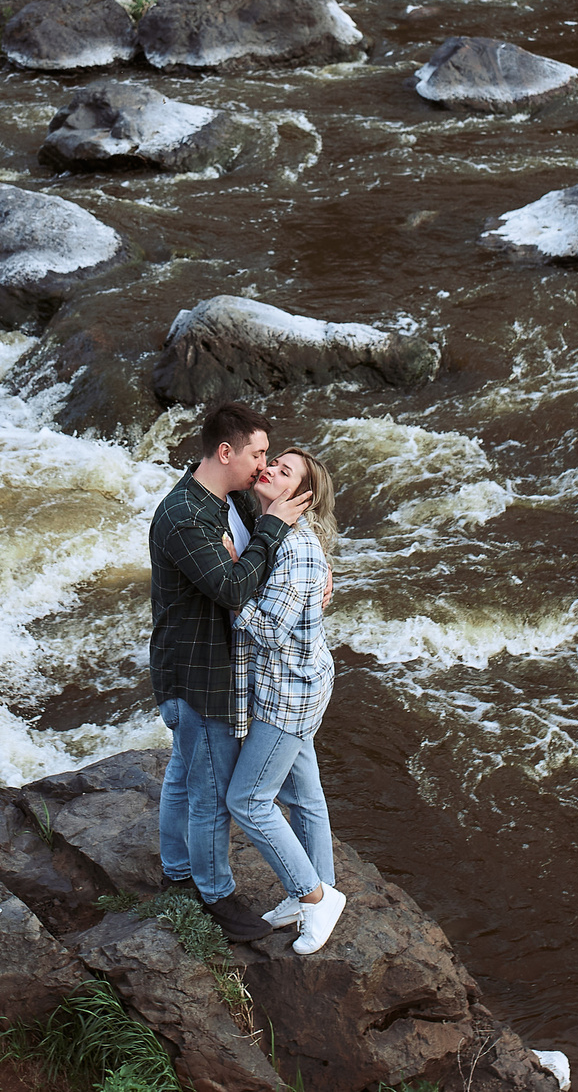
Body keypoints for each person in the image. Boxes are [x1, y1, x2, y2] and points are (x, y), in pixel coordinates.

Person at [149, 402, 310, 942]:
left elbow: (265, 570)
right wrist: (271, 529)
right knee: (212, 791)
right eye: (258, 453)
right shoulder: (183, 518)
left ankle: (176, 872)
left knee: (184, 774)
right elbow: (235, 589)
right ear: (226, 453)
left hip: (206, 666)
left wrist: (317, 578)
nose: (265, 464)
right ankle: (215, 893)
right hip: (198, 676)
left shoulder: (229, 497)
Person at [225, 447, 346, 954]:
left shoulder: (295, 549)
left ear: (303, 495)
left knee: (248, 800)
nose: (269, 468)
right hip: (304, 680)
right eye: (271, 461)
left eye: (284, 470)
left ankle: (316, 898)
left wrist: (230, 579)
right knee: (303, 797)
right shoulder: (286, 531)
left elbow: (269, 630)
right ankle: (313, 895)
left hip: (288, 691)